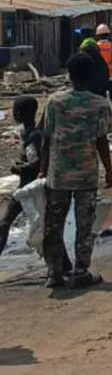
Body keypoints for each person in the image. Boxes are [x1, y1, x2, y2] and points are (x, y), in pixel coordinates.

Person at [39, 52, 112, 289]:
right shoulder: (100, 104)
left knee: (53, 224)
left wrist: (43, 170)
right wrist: (109, 172)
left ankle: (54, 272)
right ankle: (81, 270)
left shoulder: (54, 102)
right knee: (85, 224)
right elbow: (102, 141)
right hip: (86, 174)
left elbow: (46, 138)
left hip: (58, 174)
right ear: (91, 75)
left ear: (68, 74)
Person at [0, 96, 43, 259]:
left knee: (5, 223)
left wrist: (19, 168)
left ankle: (62, 267)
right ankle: (61, 267)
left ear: (18, 113)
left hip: (31, 187)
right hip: (27, 186)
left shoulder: (33, 136)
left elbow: (38, 163)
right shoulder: (27, 133)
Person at [94, 23, 112, 126]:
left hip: (101, 78)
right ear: (108, 35)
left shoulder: (96, 47)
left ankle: (106, 121)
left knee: (103, 101)